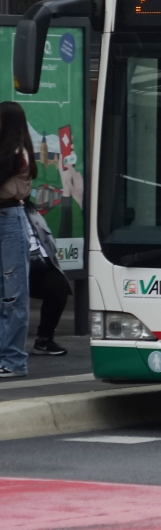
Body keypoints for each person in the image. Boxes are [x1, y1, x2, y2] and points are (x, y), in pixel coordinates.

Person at [0, 102, 36, 378]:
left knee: (13, 295)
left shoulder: (15, 152)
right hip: (5, 217)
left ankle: (14, 361)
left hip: (10, 218)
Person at [26, 202, 70, 356]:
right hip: (12, 265)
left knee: (58, 288)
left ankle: (44, 340)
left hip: (40, 262)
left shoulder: (30, 210)